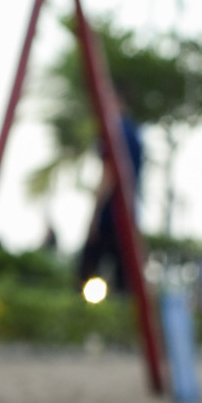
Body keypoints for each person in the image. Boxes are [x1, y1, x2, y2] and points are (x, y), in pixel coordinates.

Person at [78, 87, 145, 293]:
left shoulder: (114, 130)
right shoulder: (134, 131)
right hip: (128, 214)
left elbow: (109, 174)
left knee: (84, 275)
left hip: (110, 216)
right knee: (124, 284)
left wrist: (95, 215)